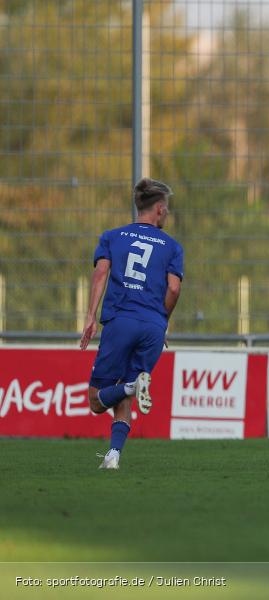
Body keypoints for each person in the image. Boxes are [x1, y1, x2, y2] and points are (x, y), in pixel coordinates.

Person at [79, 178, 184, 470]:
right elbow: (174, 288)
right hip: (153, 327)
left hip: (120, 321)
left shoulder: (112, 237)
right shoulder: (173, 246)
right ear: (159, 209)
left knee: (96, 401)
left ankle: (131, 387)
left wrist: (90, 316)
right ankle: (113, 456)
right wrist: (162, 321)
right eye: (167, 208)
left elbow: (101, 273)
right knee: (126, 391)